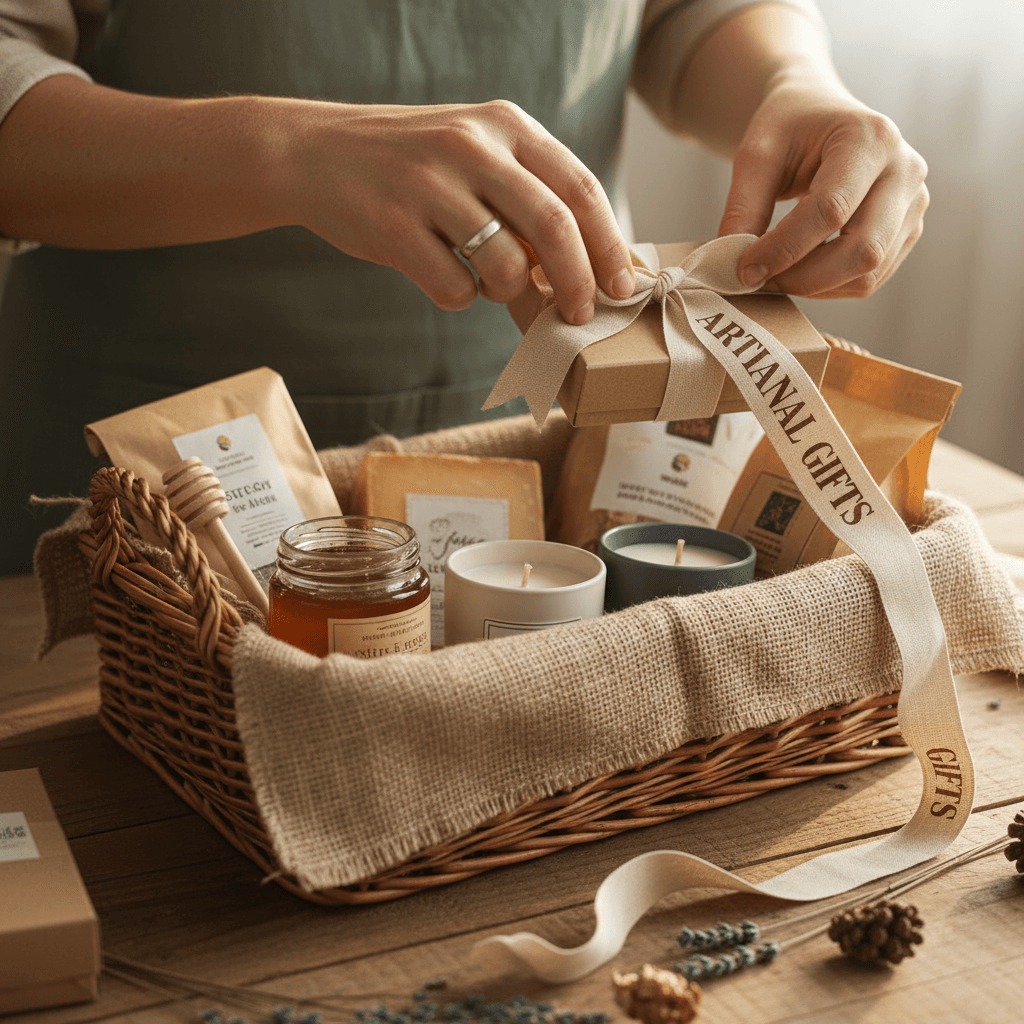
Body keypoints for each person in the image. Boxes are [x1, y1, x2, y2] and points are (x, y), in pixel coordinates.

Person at [0, 0, 928, 574]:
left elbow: (684, 11)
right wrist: (289, 153)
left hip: (549, 434)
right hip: (158, 469)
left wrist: (794, 82)